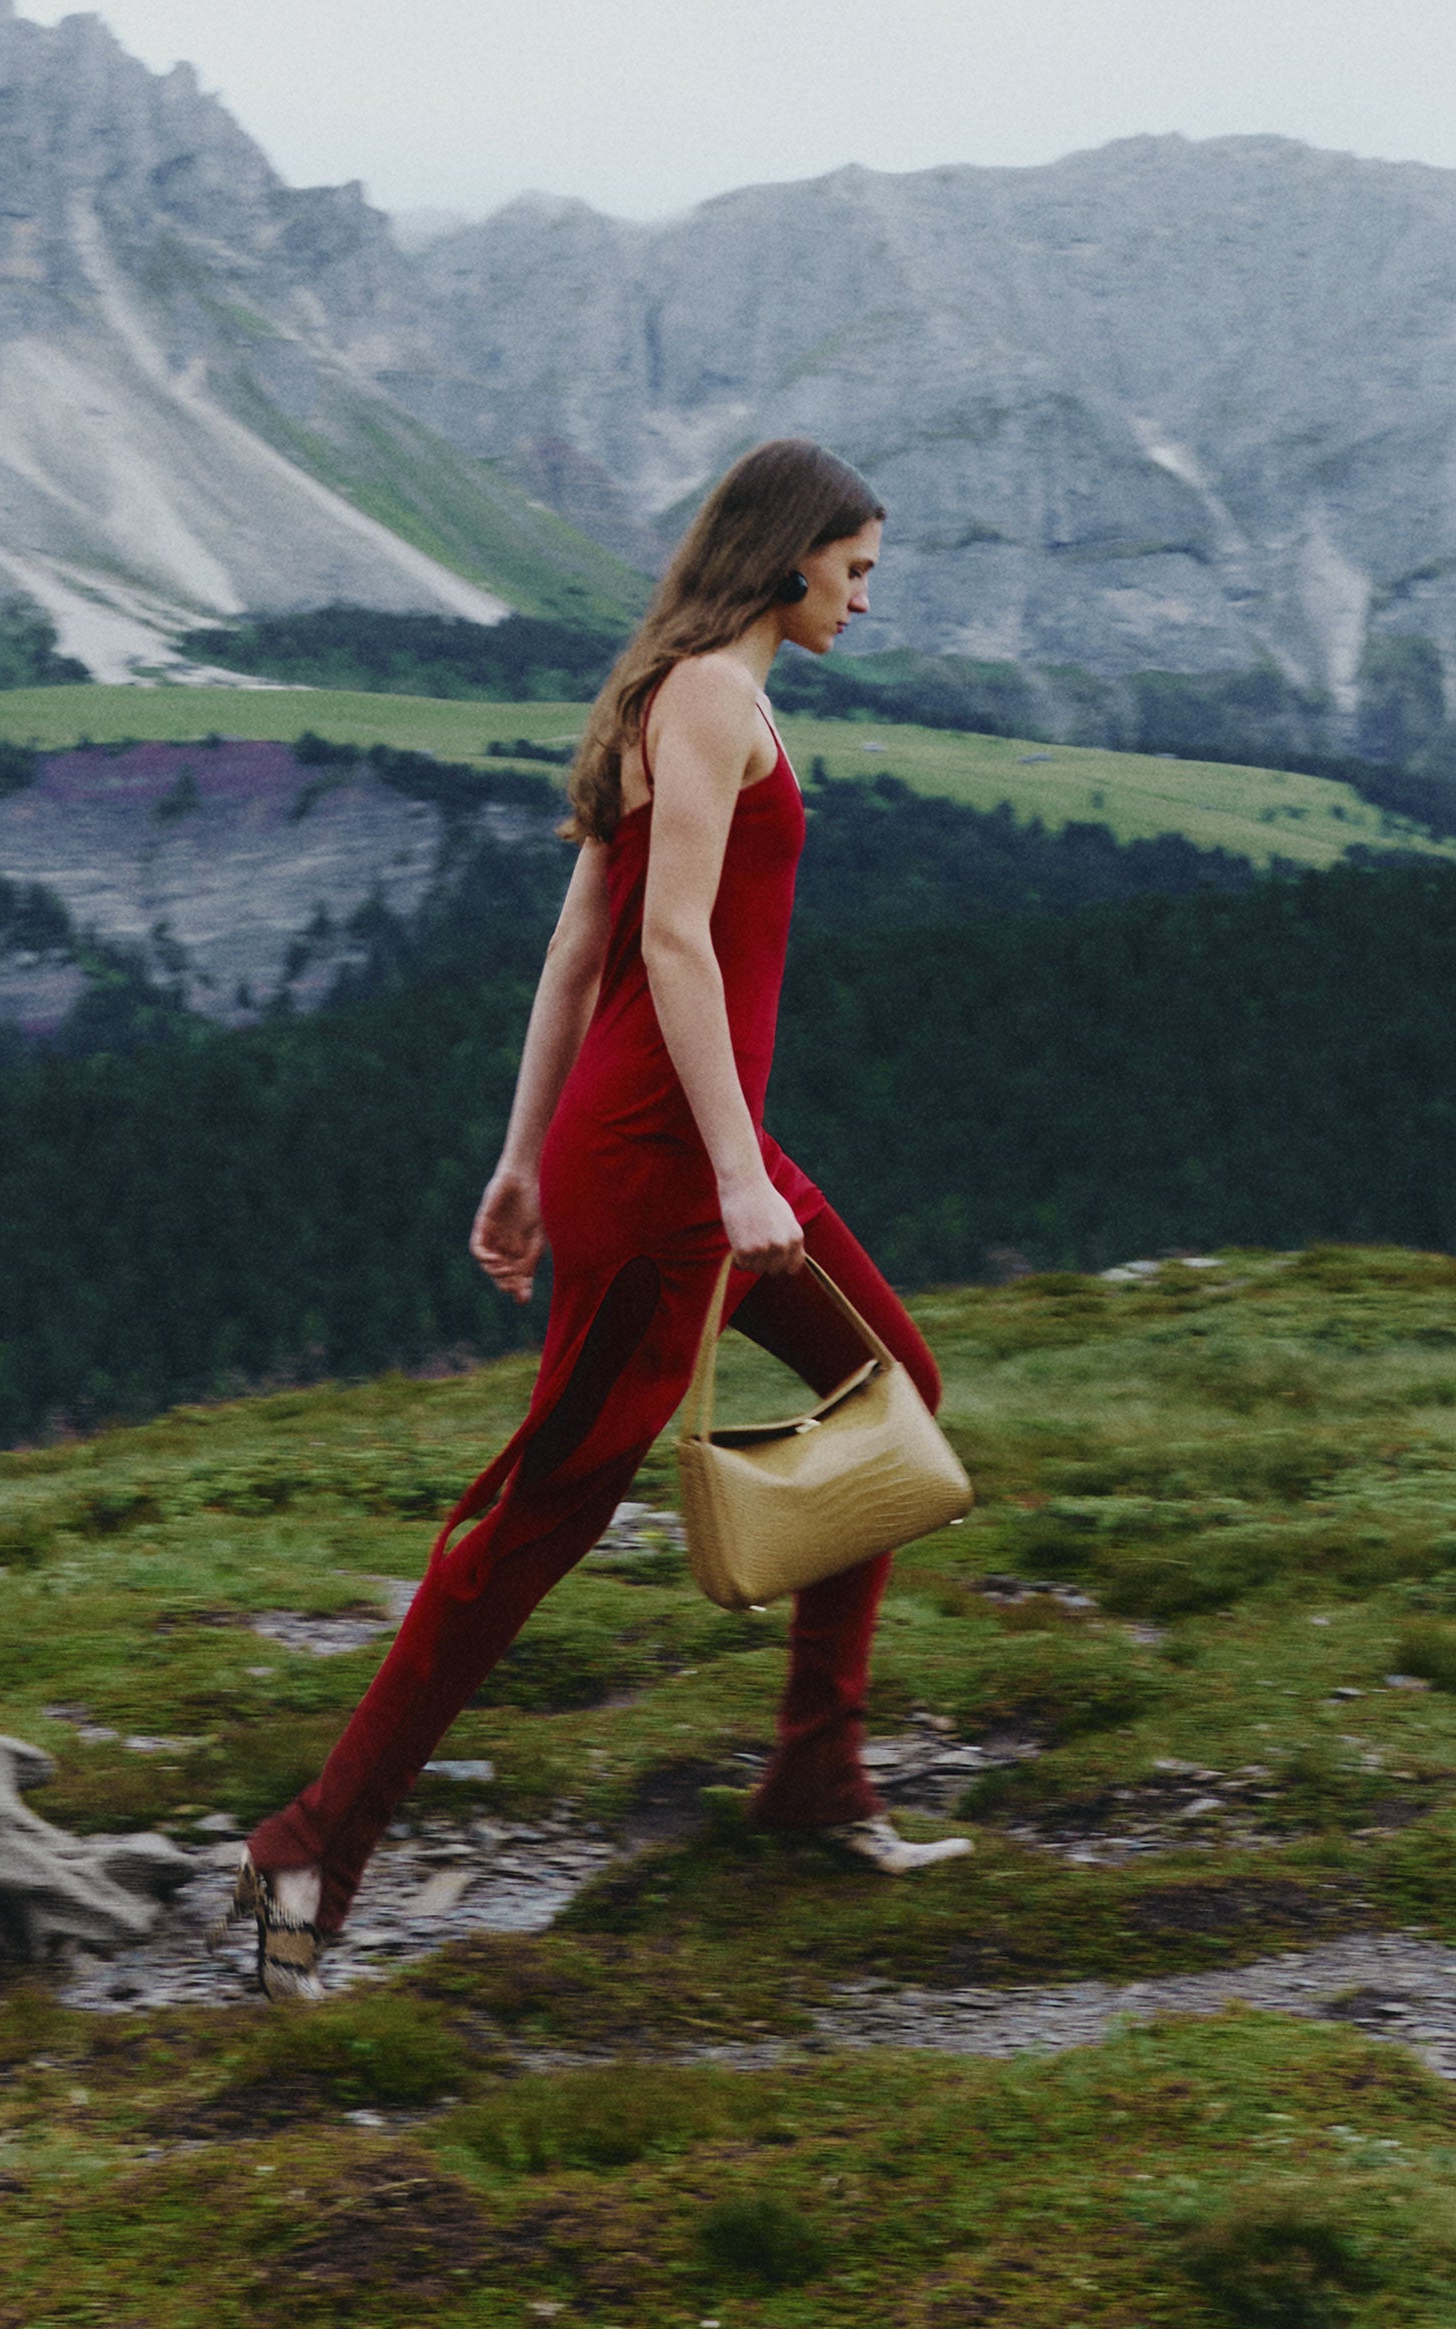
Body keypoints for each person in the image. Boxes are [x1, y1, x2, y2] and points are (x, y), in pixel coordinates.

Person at [223, 438, 972, 2000]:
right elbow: (669, 946)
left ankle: (814, 1776)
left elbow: (581, 947)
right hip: (666, 1168)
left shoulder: (689, 692)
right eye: (854, 570)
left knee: (889, 1385)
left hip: (680, 1146)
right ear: (789, 554)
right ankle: (309, 1846)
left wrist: (519, 1161)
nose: (863, 597)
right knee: (540, 1519)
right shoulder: (703, 698)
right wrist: (728, 1174)